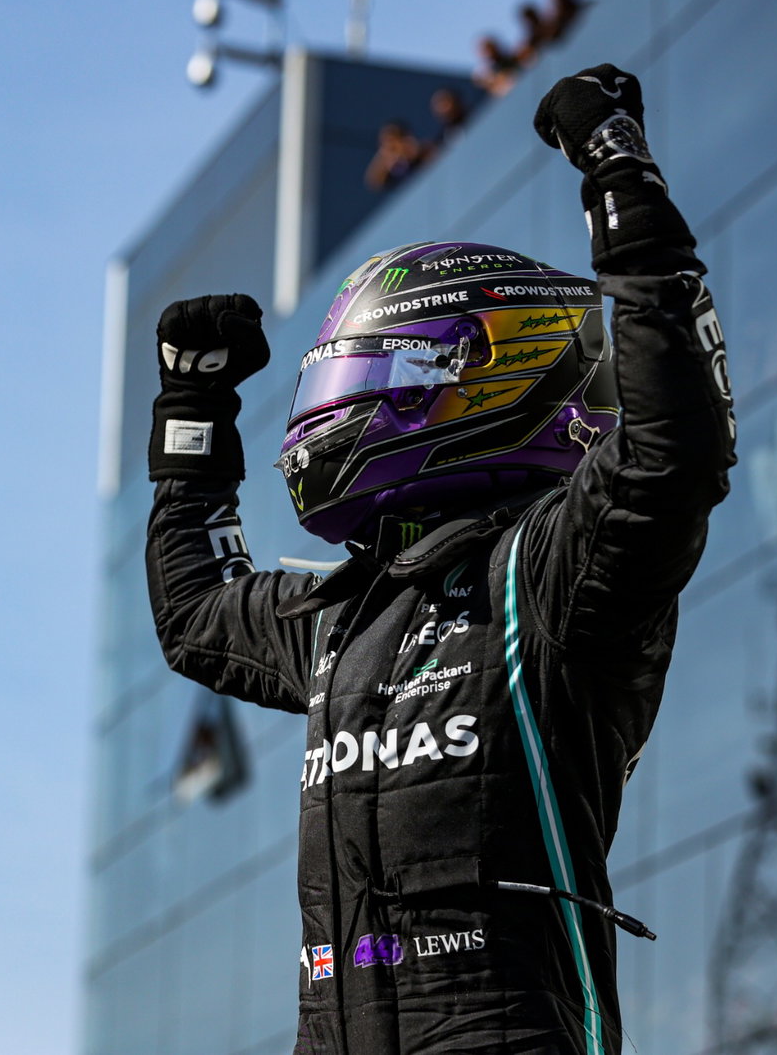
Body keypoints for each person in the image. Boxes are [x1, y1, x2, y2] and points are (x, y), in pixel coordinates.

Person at [144, 64, 736, 1055]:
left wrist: (621, 186)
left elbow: (674, 452)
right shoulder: (345, 620)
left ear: (483, 369)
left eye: (377, 370)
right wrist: (194, 412)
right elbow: (196, 614)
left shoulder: (547, 577)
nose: (342, 397)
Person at [364, 120, 433, 193]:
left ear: (405, 140)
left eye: (393, 146)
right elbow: (372, 180)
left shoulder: (426, 150)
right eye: (384, 146)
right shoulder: (394, 168)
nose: (390, 152)